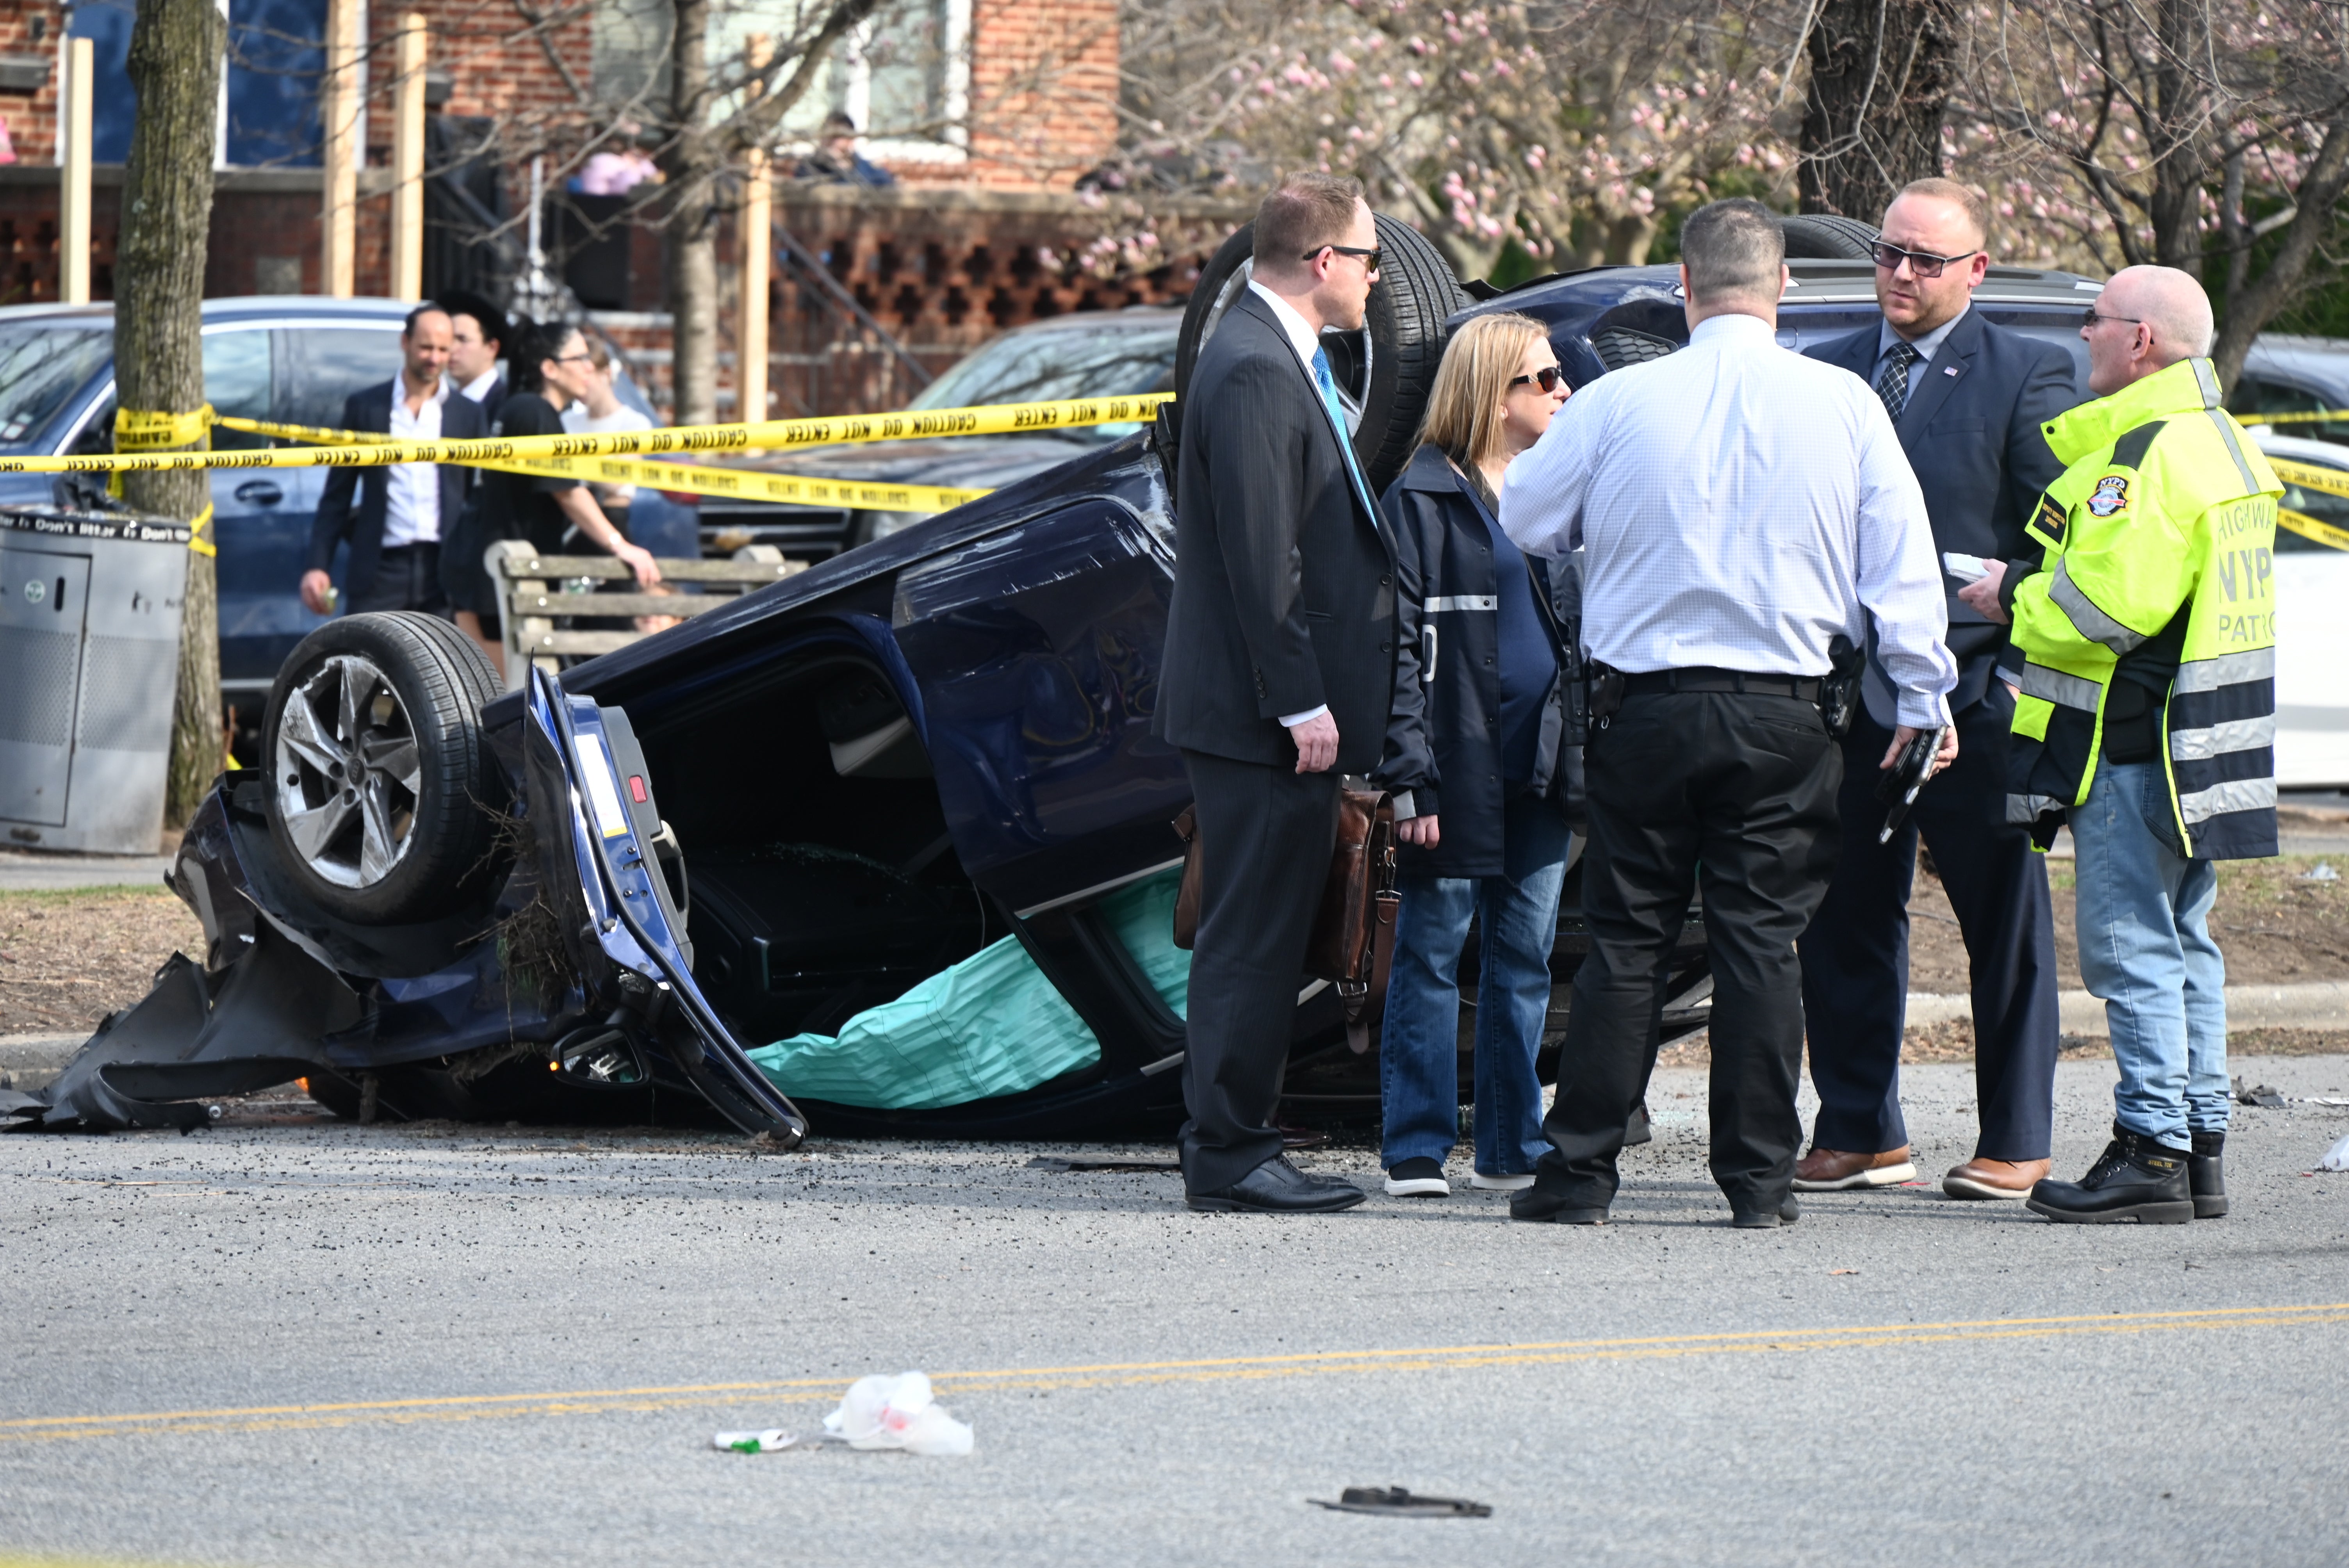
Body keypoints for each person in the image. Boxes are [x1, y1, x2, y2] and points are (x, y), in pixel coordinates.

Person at [1499, 198, 1958, 1230]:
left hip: (1643, 709)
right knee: (1760, 940)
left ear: (1683, 283)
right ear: (1786, 284)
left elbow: (1526, 516)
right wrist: (1925, 698)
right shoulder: (1843, 404)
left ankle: (1579, 1174)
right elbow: (1902, 572)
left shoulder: (1617, 403)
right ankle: (1757, 1180)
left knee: (1627, 937)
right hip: (1786, 713)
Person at [1959, 267, 2282, 1224]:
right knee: (2187, 942)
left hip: (2130, 747)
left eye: (2091, 321)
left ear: (2139, 340)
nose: (2081, 338)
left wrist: (2007, 596)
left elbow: (2102, 609)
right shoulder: (2222, 442)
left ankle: (2149, 1147)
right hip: (2201, 750)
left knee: (2130, 948)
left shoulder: (2143, 457)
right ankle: (2197, 1146)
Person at [1793, 178, 2084, 1202]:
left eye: (1926, 259)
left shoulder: (2027, 374)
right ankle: (1862, 1128)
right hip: (1852, 694)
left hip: (1974, 692)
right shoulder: (1827, 375)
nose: (1902, 274)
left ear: (1976, 270)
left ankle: (2018, 1138)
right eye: (1889, 253)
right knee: (1844, 913)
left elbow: (2060, 546)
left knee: (2002, 919)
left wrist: (2009, 671)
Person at [1155, 171, 1396, 1214]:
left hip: (1267, 711)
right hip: (1262, 717)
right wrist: (1300, 702)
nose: (1380, 281)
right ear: (1326, 262)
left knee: (1259, 929)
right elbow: (1264, 561)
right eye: (1372, 259)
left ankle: (1240, 1136)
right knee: (1250, 938)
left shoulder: (1278, 356)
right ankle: (1228, 1151)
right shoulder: (1256, 368)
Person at [1372, 312, 1578, 1199]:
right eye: (1543, 378)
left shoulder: (1549, 491)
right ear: (1493, 396)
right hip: (1453, 767)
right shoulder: (1420, 499)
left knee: (1523, 953)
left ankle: (1508, 1144)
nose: (1563, 389)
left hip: (1540, 763)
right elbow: (1394, 653)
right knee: (1428, 950)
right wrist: (1408, 778)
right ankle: (1416, 1148)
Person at [440, 319, 662, 668]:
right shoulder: (534, 412)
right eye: (580, 358)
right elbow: (568, 494)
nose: (591, 367)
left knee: (501, 693)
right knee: (510, 695)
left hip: (482, 569)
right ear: (550, 369)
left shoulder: (523, 407)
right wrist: (623, 547)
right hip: (492, 578)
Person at [299, 305, 488, 618]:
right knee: (366, 658)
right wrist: (317, 565)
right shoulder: (367, 407)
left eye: (443, 349)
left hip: (443, 572)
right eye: (426, 347)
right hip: (380, 568)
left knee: (442, 666)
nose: (434, 358)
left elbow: (476, 497)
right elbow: (338, 493)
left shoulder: (467, 414)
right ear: (406, 343)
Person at [439, 289, 512, 417]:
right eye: (450, 339)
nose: (451, 348)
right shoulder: (441, 403)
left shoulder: (507, 407)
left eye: (463, 340)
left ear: (492, 348)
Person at [796, 112, 895, 187]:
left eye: (838, 136)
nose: (833, 141)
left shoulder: (869, 169)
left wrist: (845, 167)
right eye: (829, 135)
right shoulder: (809, 168)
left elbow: (888, 189)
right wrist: (832, 164)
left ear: (851, 140)